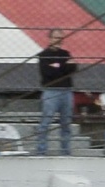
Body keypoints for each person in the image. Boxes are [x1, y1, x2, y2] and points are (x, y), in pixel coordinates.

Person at [36, 28, 77, 156]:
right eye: (55, 37)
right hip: (51, 91)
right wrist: (63, 66)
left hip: (66, 91)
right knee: (46, 121)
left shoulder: (66, 53)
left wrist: (57, 66)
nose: (58, 40)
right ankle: (41, 149)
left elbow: (73, 68)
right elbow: (48, 73)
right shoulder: (44, 55)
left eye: (61, 37)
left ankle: (65, 150)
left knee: (66, 122)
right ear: (50, 38)